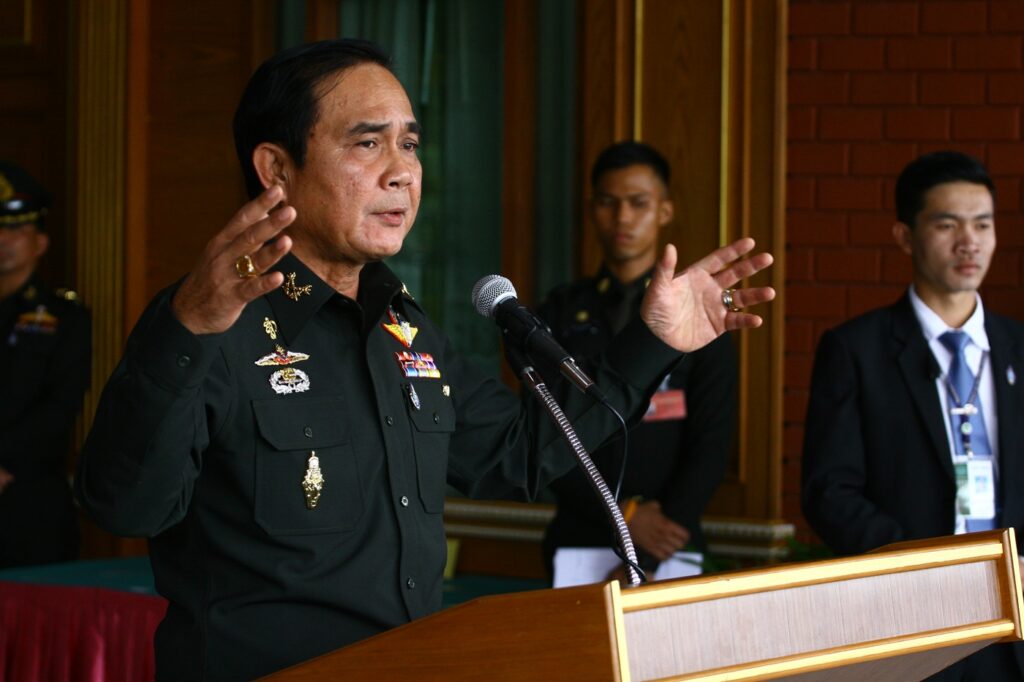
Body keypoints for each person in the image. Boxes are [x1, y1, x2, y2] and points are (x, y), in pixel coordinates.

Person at [75, 39, 774, 681]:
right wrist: (188, 329)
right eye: (367, 143)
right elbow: (126, 505)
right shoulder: (209, 321)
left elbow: (526, 453)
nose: (402, 172)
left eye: (409, 144)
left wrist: (652, 342)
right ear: (277, 169)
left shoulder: (402, 328)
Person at [802, 150, 1024, 680]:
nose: (969, 241)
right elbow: (828, 491)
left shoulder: (1018, 346)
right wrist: (919, 568)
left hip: (1012, 618)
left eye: (983, 224)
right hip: (911, 619)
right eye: (947, 224)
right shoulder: (855, 350)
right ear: (905, 236)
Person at [538, 141, 735, 580]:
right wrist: (624, 514)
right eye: (609, 203)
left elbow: (712, 442)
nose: (622, 218)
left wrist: (662, 529)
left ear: (664, 210)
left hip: (672, 540)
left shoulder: (698, 314)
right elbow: (545, 437)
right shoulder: (558, 313)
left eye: (638, 203)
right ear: (592, 210)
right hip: (579, 536)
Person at [0, 161, 90, 568]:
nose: (3, 239)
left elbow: (60, 407)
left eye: (16, 229)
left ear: (40, 242)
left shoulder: (66, 318)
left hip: (27, 496)